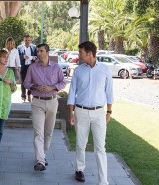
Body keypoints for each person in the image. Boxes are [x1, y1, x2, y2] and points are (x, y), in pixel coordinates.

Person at [67, 41, 113, 184]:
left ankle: (103, 181)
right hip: (80, 111)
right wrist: (71, 113)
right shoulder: (78, 70)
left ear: (89, 53)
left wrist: (109, 112)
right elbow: (72, 93)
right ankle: (79, 169)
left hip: (99, 113)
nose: (78, 55)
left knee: (100, 147)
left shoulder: (105, 70)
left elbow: (109, 92)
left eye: (80, 52)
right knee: (81, 144)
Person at [23, 43, 66, 171]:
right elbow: (26, 82)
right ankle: (40, 161)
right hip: (37, 102)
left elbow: (63, 82)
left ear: (47, 52)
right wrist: (36, 87)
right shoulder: (32, 67)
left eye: (41, 51)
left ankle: (43, 154)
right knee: (38, 132)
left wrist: (52, 87)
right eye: (37, 51)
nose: (38, 53)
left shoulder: (56, 67)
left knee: (48, 132)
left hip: (52, 102)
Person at [17, 34, 37, 102]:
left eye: (28, 40)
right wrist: (23, 57)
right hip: (23, 67)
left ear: (30, 40)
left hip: (31, 67)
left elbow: (37, 56)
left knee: (30, 81)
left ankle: (29, 94)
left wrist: (34, 57)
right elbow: (17, 57)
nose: (27, 41)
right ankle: (23, 95)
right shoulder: (19, 47)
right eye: (26, 40)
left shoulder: (34, 47)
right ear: (23, 40)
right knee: (23, 82)